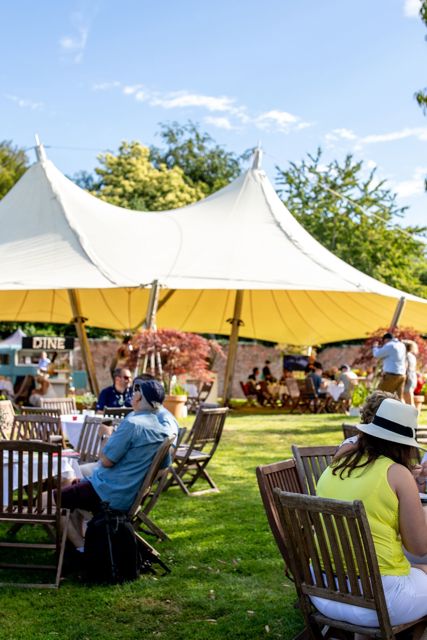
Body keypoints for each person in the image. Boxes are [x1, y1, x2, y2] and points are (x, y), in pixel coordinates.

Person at [314, 397, 427, 631]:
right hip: (378, 603)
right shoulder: (397, 474)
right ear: (404, 444)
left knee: (416, 570)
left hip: (324, 592)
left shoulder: (338, 463)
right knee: (419, 567)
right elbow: (419, 547)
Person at [60, 378, 178, 551]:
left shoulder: (132, 423)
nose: (132, 394)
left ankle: (82, 551)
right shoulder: (161, 429)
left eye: (136, 391)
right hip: (127, 494)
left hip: (108, 494)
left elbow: (106, 461)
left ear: (138, 399)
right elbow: (162, 467)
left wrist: (106, 436)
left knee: (49, 500)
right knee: (73, 487)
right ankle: (83, 544)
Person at [372, 332, 407, 400]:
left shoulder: (389, 345)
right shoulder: (401, 345)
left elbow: (376, 354)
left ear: (385, 340)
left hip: (391, 375)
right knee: (399, 398)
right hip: (402, 374)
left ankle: (380, 410)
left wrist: (375, 347)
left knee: (380, 395)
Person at [403, 340, 419, 407]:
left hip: (408, 378)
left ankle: (412, 415)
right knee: (409, 398)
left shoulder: (406, 356)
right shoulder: (412, 356)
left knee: (409, 400)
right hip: (413, 377)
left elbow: (405, 367)